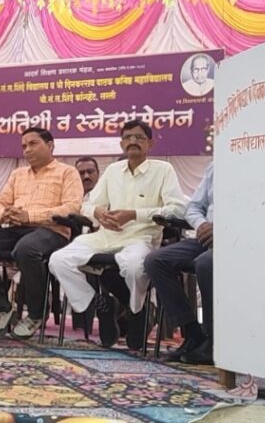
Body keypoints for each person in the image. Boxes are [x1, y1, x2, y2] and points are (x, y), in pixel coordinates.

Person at [50, 121, 188, 349]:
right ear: (121, 143)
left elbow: (177, 209)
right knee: (58, 260)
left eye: (139, 137)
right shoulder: (113, 171)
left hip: (141, 237)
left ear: (150, 143)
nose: (133, 141)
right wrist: (98, 213)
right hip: (107, 236)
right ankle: (100, 304)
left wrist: (134, 215)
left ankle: (136, 311)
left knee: (134, 266)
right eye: (128, 137)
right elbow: (87, 205)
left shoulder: (163, 170)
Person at [0, 127, 83, 339]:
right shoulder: (18, 174)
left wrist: (30, 216)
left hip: (52, 230)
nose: (27, 150)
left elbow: (72, 207)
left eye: (33, 144)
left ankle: (35, 314)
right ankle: (1, 308)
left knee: (26, 250)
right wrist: (4, 213)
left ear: (50, 145)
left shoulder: (67, 172)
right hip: (16, 228)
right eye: (24, 146)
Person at [144, 162, 213, 364]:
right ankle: (192, 332)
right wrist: (202, 224)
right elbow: (194, 206)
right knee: (156, 260)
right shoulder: (216, 166)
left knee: (205, 263)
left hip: (237, 239)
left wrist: (223, 228)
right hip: (206, 236)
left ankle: (214, 339)